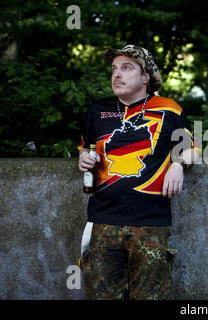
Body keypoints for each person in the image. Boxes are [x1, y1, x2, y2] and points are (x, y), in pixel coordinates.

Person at [78, 44, 200, 300]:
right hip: (103, 222)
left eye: (126, 68)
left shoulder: (169, 109)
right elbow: (85, 149)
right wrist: (83, 158)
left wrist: (178, 165)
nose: (116, 75)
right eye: (113, 69)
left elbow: (193, 150)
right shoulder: (97, 112)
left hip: (151, 224)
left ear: (146, 77)